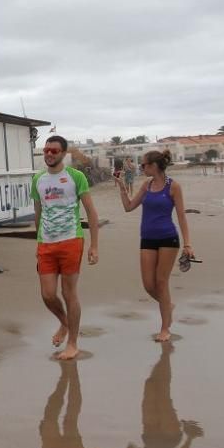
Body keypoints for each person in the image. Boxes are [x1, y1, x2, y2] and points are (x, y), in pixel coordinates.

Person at [113, 150, 195, 342]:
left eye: (144, 165)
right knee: (148, 285)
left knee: (161, 282)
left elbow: (182, 216)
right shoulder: (146, 185)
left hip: (168, 238)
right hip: (147, 239)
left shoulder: (173, 187)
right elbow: (129, 207)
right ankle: (168, 305)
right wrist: (122, 188)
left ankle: (165, 328)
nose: (142, 168)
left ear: (154, 166)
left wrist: (188, 244)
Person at [31, 136, 100, 360]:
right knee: (47, 294)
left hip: (71, 240)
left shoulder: (75, 176)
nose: (49, 154)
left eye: (54, 150)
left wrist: (94, 245)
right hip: (46, 243)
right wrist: (38, 241)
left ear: (62, 153)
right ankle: (64, 323)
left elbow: (91, 212)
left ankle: (72, 343)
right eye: (46, 150)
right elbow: (38, 213)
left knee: (68, 293)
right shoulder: (38, 179)